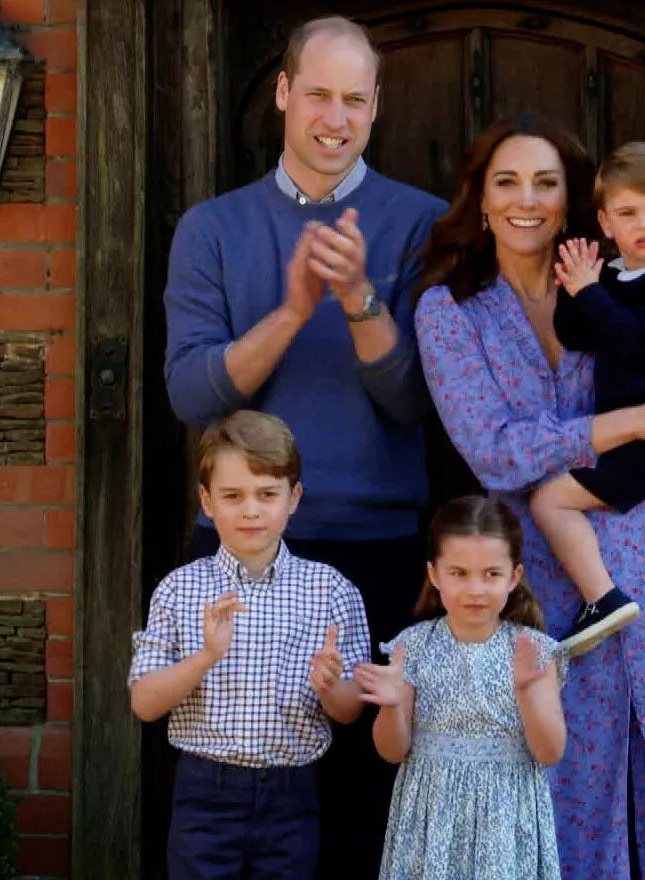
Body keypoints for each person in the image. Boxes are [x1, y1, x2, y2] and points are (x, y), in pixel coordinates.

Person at [413, 113, 645, 878]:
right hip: (534, 577)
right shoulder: (450, 311)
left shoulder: (628, 287)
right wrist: (642, 420)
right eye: (507, 182)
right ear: (481, 198)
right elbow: (496, 452)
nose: (526, 200)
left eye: (545, 183)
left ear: (572, 204)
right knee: (559, 783)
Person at [161, 15, 446, 876]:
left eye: (354, 99)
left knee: (366, 799)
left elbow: (412, 404)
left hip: (380, 549)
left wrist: (359, 298)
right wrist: (291, 310)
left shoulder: (422, 223)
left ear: (376, 107)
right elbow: (192, 396)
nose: (335, 116)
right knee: (239, 795)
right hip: (244, 550)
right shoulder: (212, 229)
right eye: (318, 93)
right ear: (283, 93)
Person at [127, 411, 371, 879]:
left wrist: (329, 687)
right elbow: (144, 703)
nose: (251, 510)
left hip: (291, 793)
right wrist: (206, 657)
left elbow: (349, 711)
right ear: (207, 501)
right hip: (204, 792)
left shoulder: (331, 590)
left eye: (267, 494)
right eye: (233, 496)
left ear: (293, 498)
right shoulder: (180, 590)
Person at [531, 141, 645, 657]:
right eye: (629, 213)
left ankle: (602, 599)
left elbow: (638, 339)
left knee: (549, 500)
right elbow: (577, 334)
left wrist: (592, 293)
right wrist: (576, 288)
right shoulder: (620, 275)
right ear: (607, 223)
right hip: (626, 435)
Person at [354, 495, 566, 880]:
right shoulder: (412, 646)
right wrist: (391, 706)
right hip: (430, 817)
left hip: (505, 818)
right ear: (434, 574)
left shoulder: (533, 652)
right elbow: (392, 751)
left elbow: (550, 751)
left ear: (514, 577)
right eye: (459, 573)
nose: (475, 589)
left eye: (491, 574)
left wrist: (527, 692)